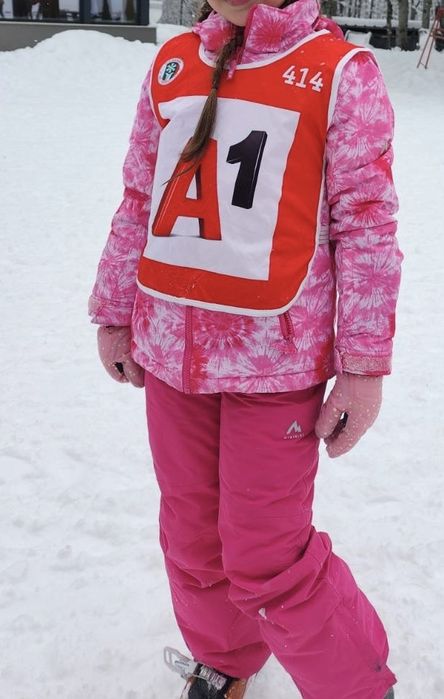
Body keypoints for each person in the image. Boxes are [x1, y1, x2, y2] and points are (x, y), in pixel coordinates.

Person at [88, 0, 402, 695]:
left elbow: (367, 224)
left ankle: (357, 684)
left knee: (267, 554)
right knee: (193, 536)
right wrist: (114, 311)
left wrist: (362, 368)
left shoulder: (338, 72)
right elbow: (140, 197)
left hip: (276, 367)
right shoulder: (174, 66)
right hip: (172, 358)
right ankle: (226, 657)